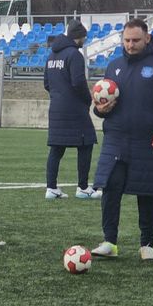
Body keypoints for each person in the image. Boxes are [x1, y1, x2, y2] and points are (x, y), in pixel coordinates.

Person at [90, 17, 153, 261]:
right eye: (127, 40)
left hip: (148, 139)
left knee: (147, 192)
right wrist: (100, 110)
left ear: (147, 38)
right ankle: (110, 241)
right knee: (110, 188)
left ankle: (147, 244)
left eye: (136, 40)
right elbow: (101, 104)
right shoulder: (114, 66)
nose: (130, 45)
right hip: (116, 139)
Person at [42, 21, 99, 200]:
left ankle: (51, 188)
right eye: (84, 37)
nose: (85, 40)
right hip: (74, 108)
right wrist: (87, 99)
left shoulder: (51, 56)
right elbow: (78, 82)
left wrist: (59, 96)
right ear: (78, 36)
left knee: (56, 148)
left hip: (56, 108)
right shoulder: (75, 55)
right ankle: (82, 187)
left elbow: (46, 83)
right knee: (86, 143)